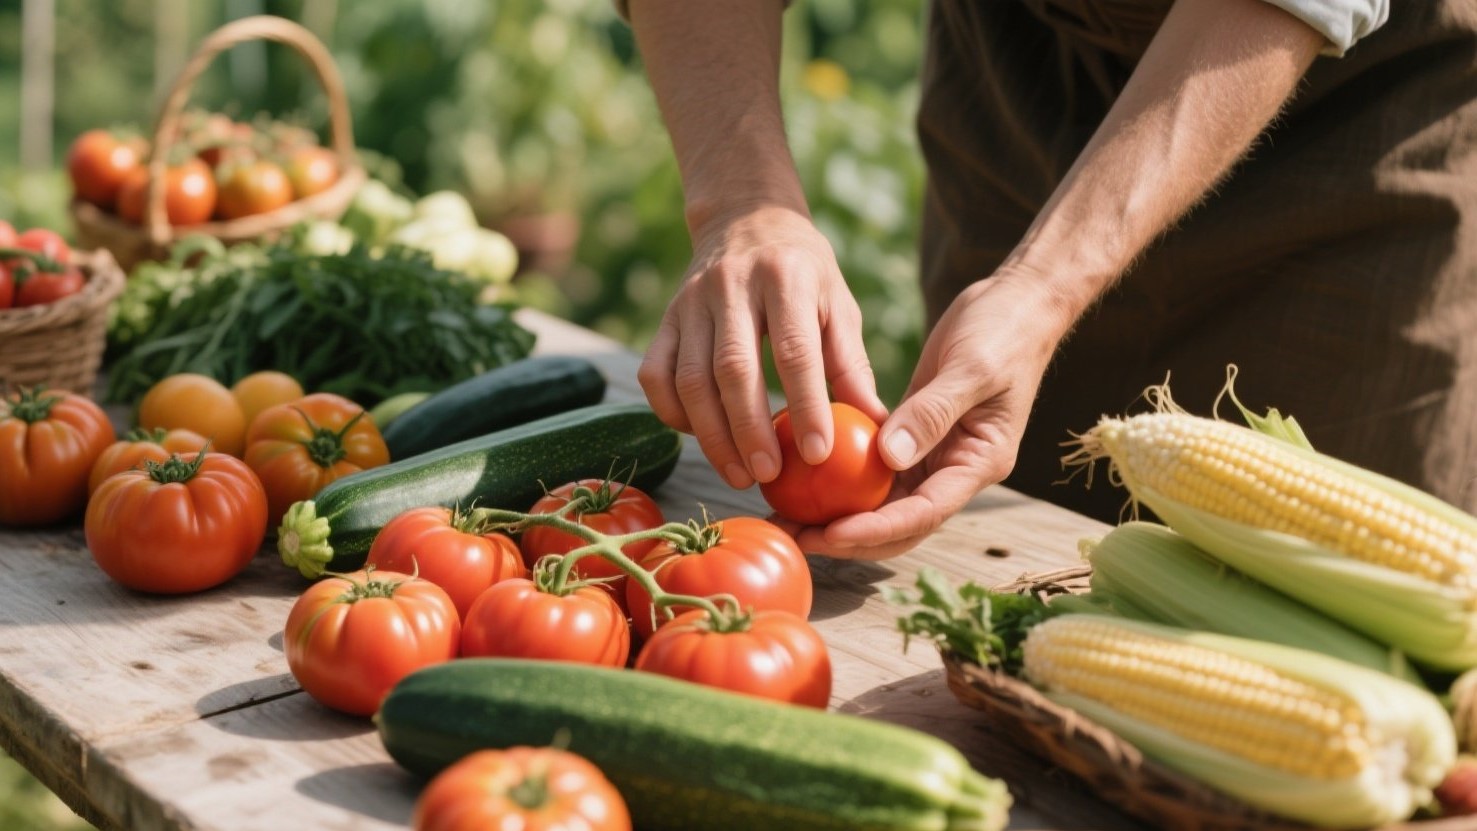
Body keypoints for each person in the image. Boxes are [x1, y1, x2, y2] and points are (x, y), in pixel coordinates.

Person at [622, 0, 1477, 560]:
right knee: (1020, 534)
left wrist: (1043, 283)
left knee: (1330, 561)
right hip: (1019, 60)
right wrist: (740, 202)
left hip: (1348, 119)